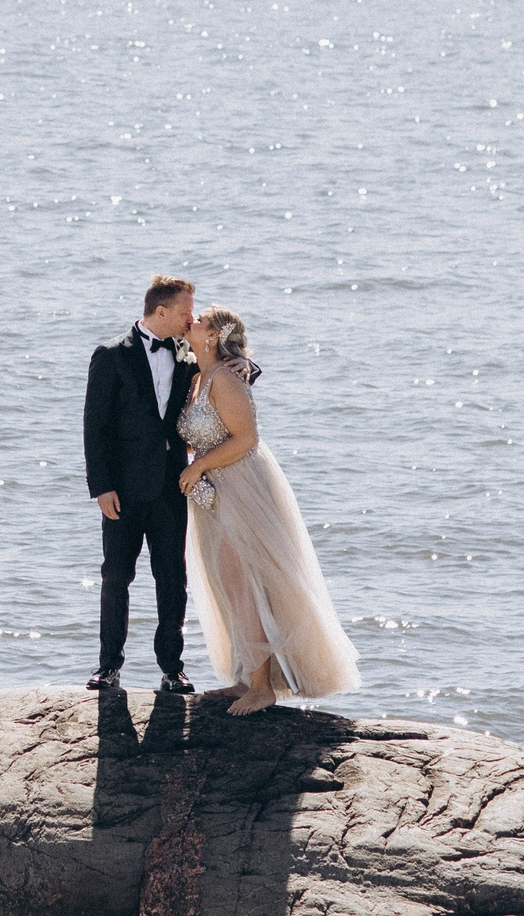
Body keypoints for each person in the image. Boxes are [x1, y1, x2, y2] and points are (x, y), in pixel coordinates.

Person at [176, 306, 360, 715]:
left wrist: (198, 465)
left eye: (201, 318)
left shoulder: (226, 380)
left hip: (240, 486)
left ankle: (263, 687)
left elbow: (246, 438)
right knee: (227, 582)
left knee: (248, 580)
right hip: (211, 495)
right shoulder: (196, 376)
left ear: (214, 335)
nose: (192, 319)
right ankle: (245, 677)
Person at [81, 276, 199, 693]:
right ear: (161, 311)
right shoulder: (111, 355)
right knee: (117, 575)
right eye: (187, 311)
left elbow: (230, 376)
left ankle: (173, 668)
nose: (193, 317)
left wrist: (244, 366)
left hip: (171, 485)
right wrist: (102, 487)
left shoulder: (189, 355)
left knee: (172, 578)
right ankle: (108, 666)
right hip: (124, 490)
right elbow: (95, 427)